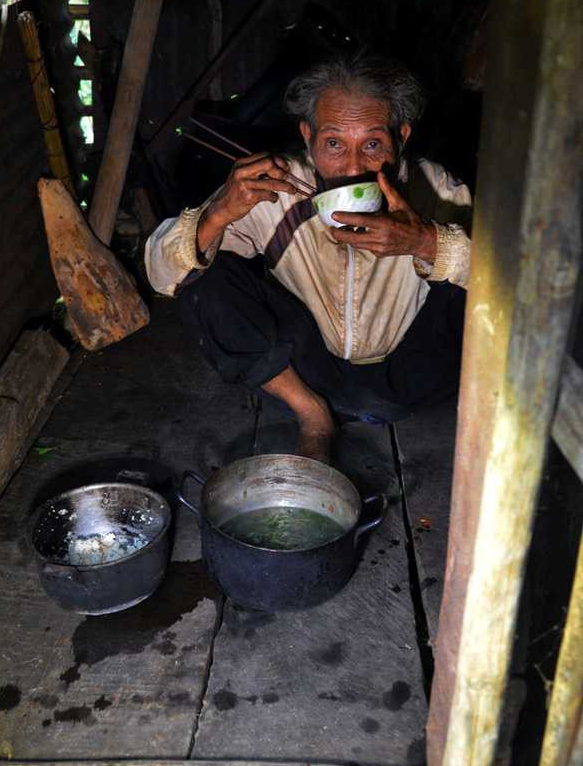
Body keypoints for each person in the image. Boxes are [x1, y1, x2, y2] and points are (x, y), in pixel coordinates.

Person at [145, 52, 472, 462]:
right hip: (311, 376)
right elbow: (162, 276)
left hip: (411, 378)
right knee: (202, 269)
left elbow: (515, 285)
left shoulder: (435, 187)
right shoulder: (277, 187)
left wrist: (425, 243)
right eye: (333, 143)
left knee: (473, 272)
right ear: (307, 135)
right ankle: (312, 416)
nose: (353, 165)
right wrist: (218, 212)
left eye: (373, 144)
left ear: (402, 136)